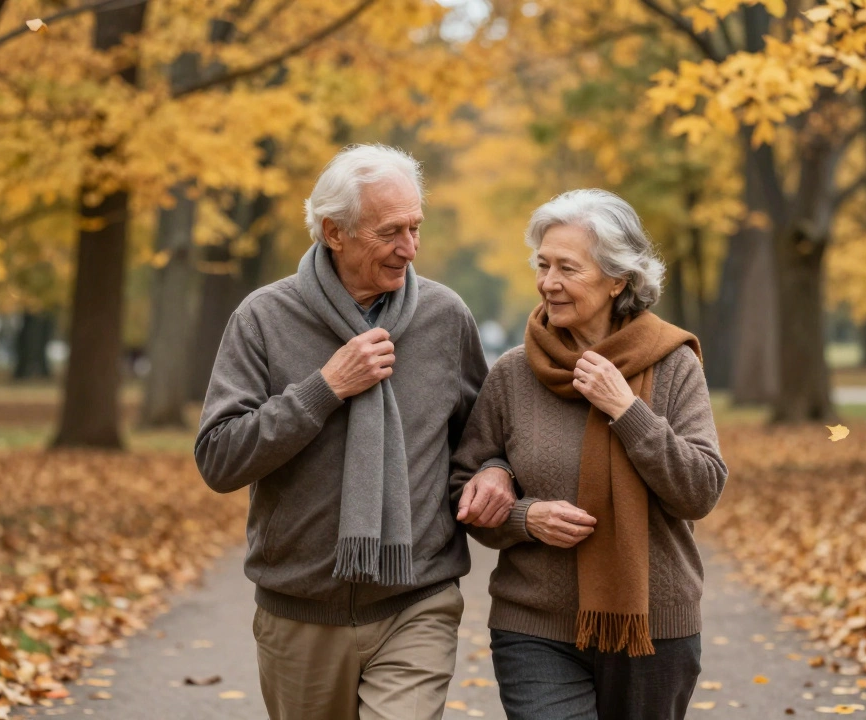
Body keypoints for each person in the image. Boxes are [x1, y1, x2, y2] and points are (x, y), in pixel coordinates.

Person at [195, 144, 516, 720]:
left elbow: (485, 440)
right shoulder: (263, 319)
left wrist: (496, 470)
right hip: (299, 611)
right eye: (390, 231)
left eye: (416, 227)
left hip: (418, 600)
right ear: (333, 232)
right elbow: (219, 458)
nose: (410, 248)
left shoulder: (445, 316)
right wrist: (324, 389)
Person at [451, 189, 729, 720]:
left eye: (568, 268)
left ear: (617, 279)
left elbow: (699, 491)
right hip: (534, 623)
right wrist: (524, 517)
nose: (548, 282)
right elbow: (464, 491)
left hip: (652, 626)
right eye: (543, 264)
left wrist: (627, 410)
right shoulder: (514, 372)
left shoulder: (672, 364)